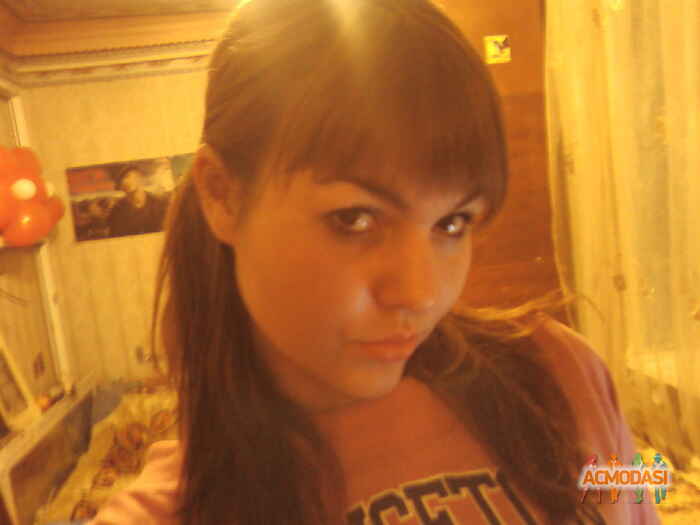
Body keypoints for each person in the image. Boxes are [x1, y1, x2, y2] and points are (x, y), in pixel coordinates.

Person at [83, 0, 663, 524]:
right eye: (355, 219)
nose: (421, 294)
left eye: (452, 223)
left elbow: (634, 498)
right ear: (222, 195)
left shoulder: (561, 373)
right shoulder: (178, 510)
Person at [107, 165, 168, 238]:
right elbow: (115, 238)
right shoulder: (117, 210)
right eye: (120, 180)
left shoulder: (157, 204)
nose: (125, 181)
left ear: (139, 177)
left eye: (127, 176)